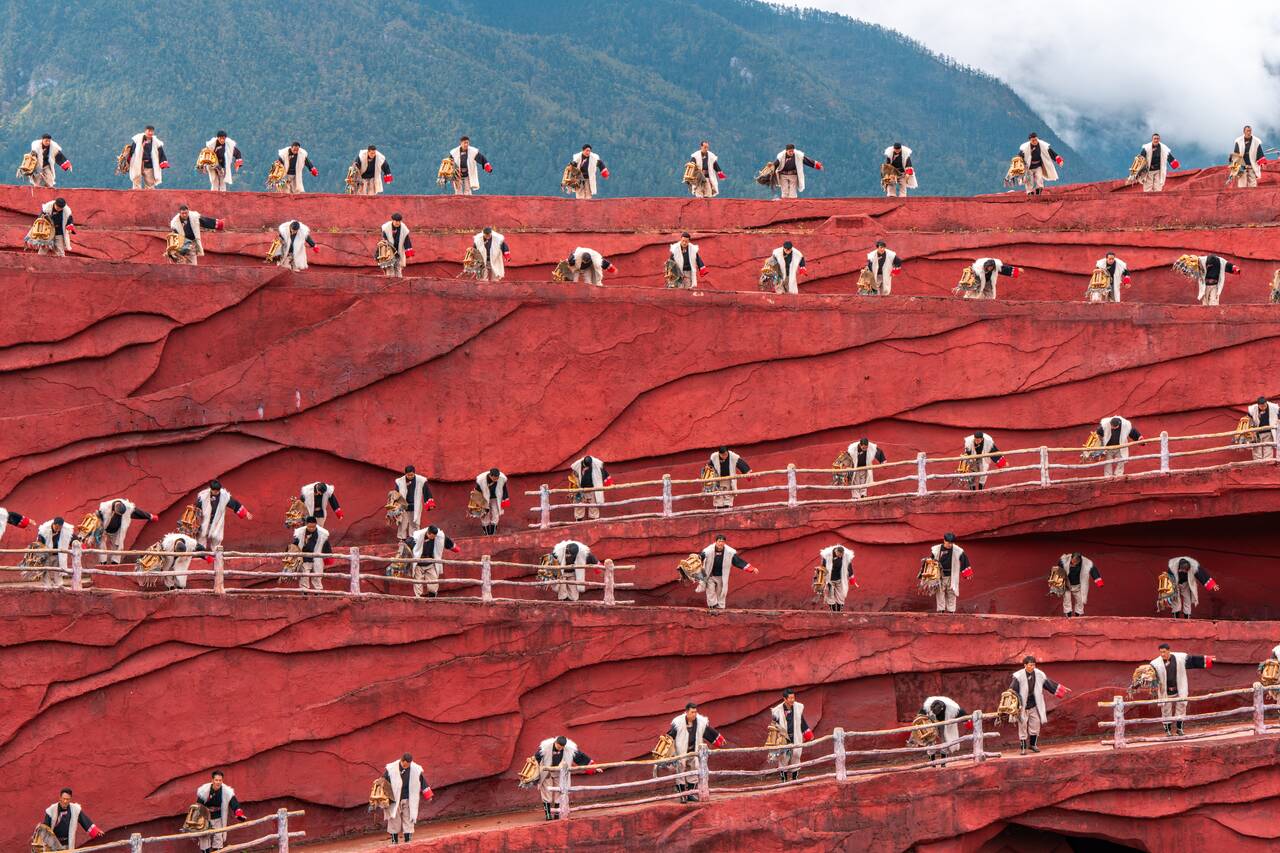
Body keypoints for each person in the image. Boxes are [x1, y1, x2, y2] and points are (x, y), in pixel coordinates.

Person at [666, 702, 725, 802]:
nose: (694, 714)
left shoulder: (701, 722)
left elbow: (709, 732)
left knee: (694, 770)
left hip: (694, 752)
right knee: (680, 770)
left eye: (695, 712)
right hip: (681, 753)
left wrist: (719, 739)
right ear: (687, 712)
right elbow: (669, 737)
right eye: (692, 712)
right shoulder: (678, 723)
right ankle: (682, 795)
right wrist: (665, 750)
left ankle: (690, 794)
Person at [1010, 655, 1069, 754]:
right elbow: (1012, 690)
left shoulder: (1039, 674)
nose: (1032, 667)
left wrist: (1062, 689)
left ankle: (1033, 745)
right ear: (1025, 665)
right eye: (1030, 665)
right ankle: (1023, 748)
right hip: (1022, 706)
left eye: (1034, 665)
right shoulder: (1018, 676)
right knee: (1022, 725)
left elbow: (1049, 684)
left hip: (1034, 705)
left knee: (1036, 724)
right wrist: (1013, 705)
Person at [1151, 643, 1213, 735]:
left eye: (1164, 652)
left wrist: (1208, 660)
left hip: (1179, 689)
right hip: (1165, 692)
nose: (1162, 654)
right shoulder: (1155, 663)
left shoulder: (1179, 658)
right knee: (1166, 711)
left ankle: (1179, 729)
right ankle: (1167, 731)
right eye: (1161, 652)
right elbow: (1151, 676)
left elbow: (1192, 661)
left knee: (1181, 709)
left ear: (1169, 650)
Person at [533, 736, 596, 821]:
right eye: (559, 746)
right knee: (546, 792)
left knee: (560, 791)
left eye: (562, 747)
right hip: (546, 772)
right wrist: (532, 764)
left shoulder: (569, 749)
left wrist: (593, 767)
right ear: (555, 742)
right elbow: (536, 758)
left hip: (560, 773)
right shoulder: (545, 748)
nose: (560, 748)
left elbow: (581, 757)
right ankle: (548, 814)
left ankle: (557, 813)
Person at [697, 534, 758, 612]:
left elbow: (738, 562)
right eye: (719, 541)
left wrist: (751, 568)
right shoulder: (708, 551)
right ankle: (712, 606)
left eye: (722, 541)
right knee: (710, 591)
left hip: (721, 576)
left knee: (721, 591)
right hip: (710, 575)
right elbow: (698, 558)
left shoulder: (730, 552)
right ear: (715, 542)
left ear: (724, 543)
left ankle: (720, 607)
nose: (721, 543)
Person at [381, 753, 432, 844]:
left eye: (409, 764)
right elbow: (383, 781)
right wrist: (380, 796)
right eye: (406, 764)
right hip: (394, 798)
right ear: (402, 761)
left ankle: (408, 839)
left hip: (408, 798)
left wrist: (428, 795)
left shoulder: (415, 769)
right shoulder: (391, 768)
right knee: (394, 819)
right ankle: (394, 840)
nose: (407, 766)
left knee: (408, 818)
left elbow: (422, 781)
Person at [194, 769, 247, 851]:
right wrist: (197, 819)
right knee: (204, 838)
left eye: (220, 780)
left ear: (222, 780)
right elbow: (198, 805)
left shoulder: (226, 791)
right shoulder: (204, 790)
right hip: (205, 819)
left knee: (218, 838)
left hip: (218, 818)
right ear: (212, 780)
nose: (218, 782)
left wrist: (239, 814)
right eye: (216, 780)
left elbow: (234, 803)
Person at [402, 525, 459, 599]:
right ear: (428, 533)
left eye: (434, 536)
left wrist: (455, 548)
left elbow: (447, 541)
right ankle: (419, 601)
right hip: (418, 565)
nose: (433, 538)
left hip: (431, 564)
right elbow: (407, 545)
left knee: (434, 583)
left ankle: (432, 599)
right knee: (418, 584)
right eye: (432, 537)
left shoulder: (439, 536)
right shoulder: (417, 536)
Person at [95, 498, 158, 565]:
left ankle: (115, 563)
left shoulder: (127, 507)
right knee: (100, 540)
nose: (118, 515)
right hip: (104, 528)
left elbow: (137, 512)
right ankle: (103, 562)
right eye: (117, 514)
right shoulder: (104, 508)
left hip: (118, 531)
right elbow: (95, 523)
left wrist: (150, 516)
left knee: (118, 545)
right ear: (115, 509)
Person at [770, 688, 813, 781]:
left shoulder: (798, 707)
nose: (792, 700)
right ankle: (784, 780)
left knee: (796, 756)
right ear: (785, 699)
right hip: (784, 739)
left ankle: (795, 779)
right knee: (783, 759)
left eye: (793, 697)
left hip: (796, 737)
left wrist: (808, 735)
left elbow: (802, 722)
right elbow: (774, 726)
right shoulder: (777, 711)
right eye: (790, 698)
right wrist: (773, 741)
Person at [922, 532, 972, 613]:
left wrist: (967, 572)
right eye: (949, 542)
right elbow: (931, 561)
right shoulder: (936, 549)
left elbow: (964, 559)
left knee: (951, 593)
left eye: (952, 543)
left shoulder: (957, 550)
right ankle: (941, 611)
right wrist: (928, 574)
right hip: (939, 576)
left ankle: (951, 611)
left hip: (951, 576)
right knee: (940, 592)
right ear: (944, 540)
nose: (950, 545)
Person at [195, 480, 250, 550]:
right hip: (204, 521)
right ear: (211, 489)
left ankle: (217, 557)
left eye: (218, 491)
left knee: (217, 539)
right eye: (214, 491)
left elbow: (235, 503)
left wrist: (245, 513)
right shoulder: (203, 496)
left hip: (217, 522)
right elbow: (196, 508)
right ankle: (201, 556)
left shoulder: (225, 496)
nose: (216, 492)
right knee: (201, 537)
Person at [917, 695, 968, 766]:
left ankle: (943, 763)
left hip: (945, 722)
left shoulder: (953, 708)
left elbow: (966, 717)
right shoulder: (927, 706)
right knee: (930, 740)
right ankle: (932, 763)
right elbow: (919, 717)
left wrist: (968, 723)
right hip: (931, 721)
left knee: (945, 740)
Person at [291, 516, 333, 592]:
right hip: (305, 558)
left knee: (317, 575)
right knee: (305, 575)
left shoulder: (322, 534)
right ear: (306, 524)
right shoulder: (300, 533)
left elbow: (326, 545)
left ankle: (318, 591)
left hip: (317, 557)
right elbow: (294, 545)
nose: (311, 528)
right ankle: (304, 592)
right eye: (309, 527)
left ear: (316, 524)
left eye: (313, 527)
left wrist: (328, 557)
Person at [1054, 552, 1103, 617]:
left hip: (1078, 586)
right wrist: (1056, 583)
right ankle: (1068, 616)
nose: (1073, 563)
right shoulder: (1064, 561)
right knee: (1067, 600)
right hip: (1066, 585)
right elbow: (1058, 571)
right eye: (1072, 562)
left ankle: (1077, 616)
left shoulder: (1086, 563)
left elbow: (1093, 570)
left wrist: (1099, 582)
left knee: (1080, 601)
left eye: (1075, 562)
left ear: (1079, 561)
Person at [34, 517, 76, 590]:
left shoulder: (65, 530)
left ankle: (59, 585)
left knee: (58, 570)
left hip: (58, 555)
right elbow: (39, 543)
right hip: (46, 554)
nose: (58, 529)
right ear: (53, 524)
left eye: (59, 528)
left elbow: (72, 538)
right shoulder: (44, 530)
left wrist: (78, 542)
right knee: (45, 570)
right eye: (56, 527)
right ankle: (47, 586)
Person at [393, 465, 434, 539]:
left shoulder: (421, 480)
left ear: (414, 473)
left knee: (414, 524)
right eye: (408, 475)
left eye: (412, 475)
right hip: (403, 507)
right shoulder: (399, 481)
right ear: (405, 474)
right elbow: (396, 493)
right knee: (402, 524)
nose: (410, 476)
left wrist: (429, 504)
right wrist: (394, 504)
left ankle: (414, 541)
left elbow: (426, 492)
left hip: (415, 506)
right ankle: (402, 541)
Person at [569, 455, 613, 521]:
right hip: (581, 490)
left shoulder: (597, 465)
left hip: (592, 490)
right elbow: (574, 477)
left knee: (593, 506)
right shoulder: (578, 465)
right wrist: (572, 490)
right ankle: (578, 522)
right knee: (579, 506)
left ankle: (594, 522)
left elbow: (605, 473)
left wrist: (609, 483)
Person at [817, 544, 854, 612]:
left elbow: (849, 569)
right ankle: (833, 612)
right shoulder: (827, 556)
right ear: (836, 551)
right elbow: (823, 567)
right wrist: (821, 579)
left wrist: (852, 581)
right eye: (839, 554)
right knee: (830, 596)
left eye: (842, 555)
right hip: (830, 580)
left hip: (840, 579)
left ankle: (839, 611)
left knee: (842, 595)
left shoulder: (845, 557)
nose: (840, 556)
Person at [475, 468, 509, 536]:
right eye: (495, 478)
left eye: (497, 478)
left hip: (495, 498)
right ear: (491, 476)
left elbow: (504, 489)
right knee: (484, 515)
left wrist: (505, 499)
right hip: (484, 498)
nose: (496, 479)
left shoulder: (502, 478)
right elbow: (477, 492)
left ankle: (492, 534)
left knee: (496, 515)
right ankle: (487, 534)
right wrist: (478, 504)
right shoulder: (480, 480)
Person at [379, 214, 413, 278]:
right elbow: (384, 240)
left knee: (398, 268)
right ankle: (389, 279)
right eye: (396, 221)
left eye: (399, 221)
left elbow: (407, 241)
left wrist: (409, 254)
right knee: (390, 268)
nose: (398, 223)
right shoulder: (386, 228)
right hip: (389, 251)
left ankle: (399, 281)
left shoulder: (404, 229)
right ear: (392, 220)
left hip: (399, 251)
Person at [1246, 395, 1279, 461]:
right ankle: (1257, 463)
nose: (1263, 408)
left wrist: (1278, 421)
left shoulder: (1274, 407)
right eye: (1261, 406)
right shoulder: (1253, 409)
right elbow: (1249, 418)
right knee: (1257, 448)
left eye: (1264, 406)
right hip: (1257, 432)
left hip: (1269, 431)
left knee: (1268, 447)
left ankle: (1268, 462)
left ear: (1266, 403)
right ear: (1258, 405)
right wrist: (1252, 429)